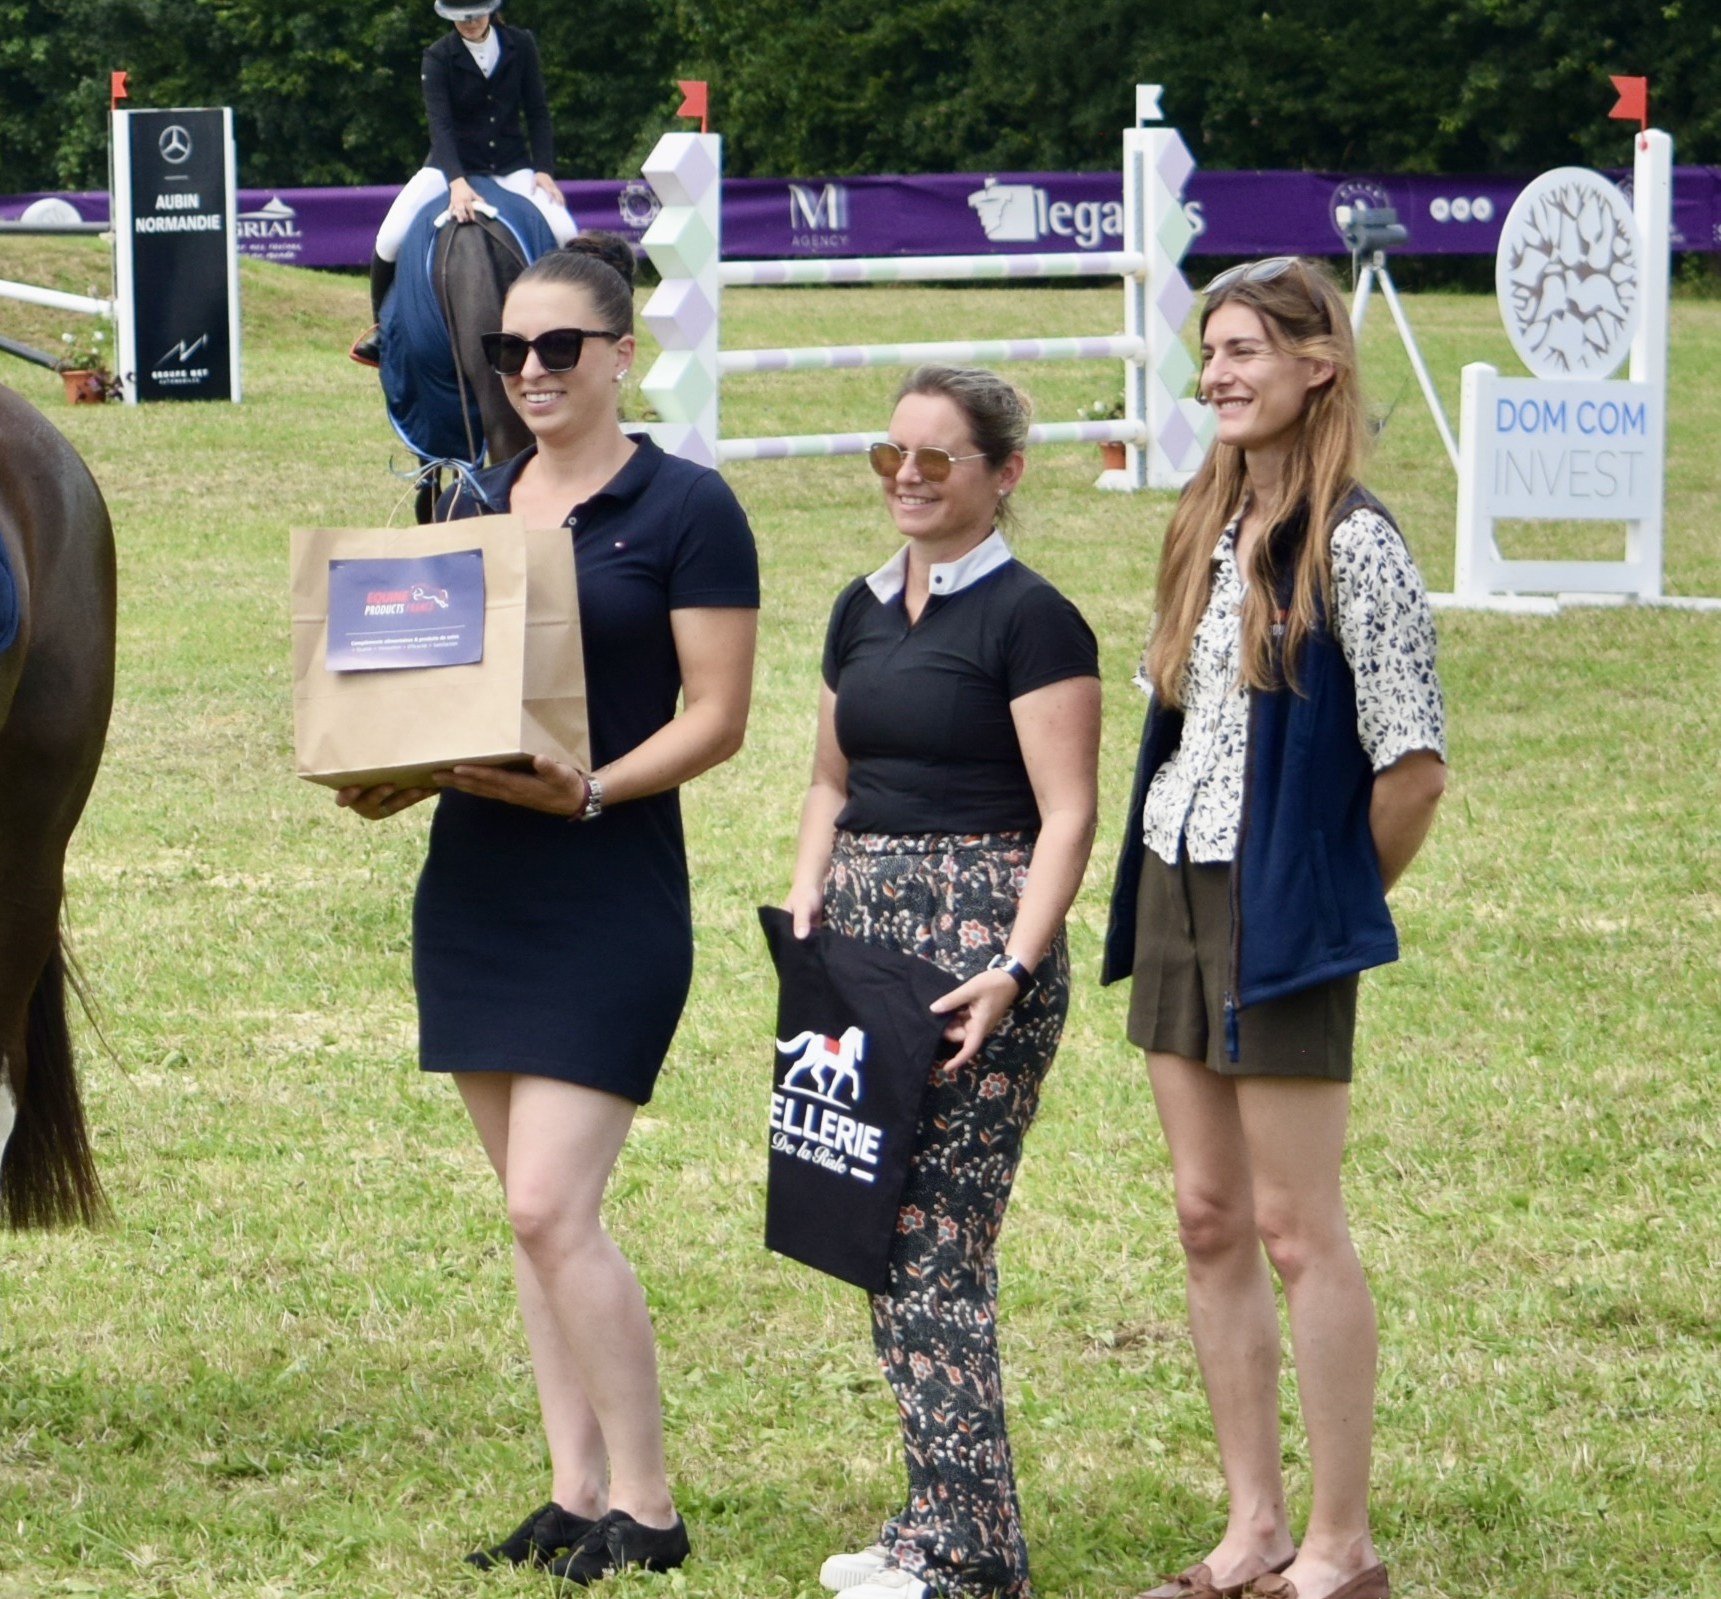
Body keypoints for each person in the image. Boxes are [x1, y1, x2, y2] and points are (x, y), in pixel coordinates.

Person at [340, 233, 757, 1581]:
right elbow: (431, 690)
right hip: (475, 886)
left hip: (607, 884)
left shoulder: (687, 506)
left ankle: (649, 1503)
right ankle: (575, 1490)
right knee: (529, 1218)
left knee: (546, 1205)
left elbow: (718, 715)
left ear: (620, 353)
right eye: (506, 348)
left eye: (556, 346)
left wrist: (590, 791)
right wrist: (386, 770)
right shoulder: (471, 497)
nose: (528, 368)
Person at [1100, 261, 1445, 1599]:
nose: (1216, 373)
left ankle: (1339, 1545)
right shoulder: (1204, 520)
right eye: (1209, 351)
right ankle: (1252, 1526)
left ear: (1317, 363)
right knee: (1206, 1217)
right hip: (1173, 880)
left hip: (1279, 902)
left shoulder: (1353, 541)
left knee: (1298, 1225)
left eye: (1244, 348)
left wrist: (1328, 896)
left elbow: (1410, 769)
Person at [788, 368, 1100, 1599]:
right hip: (861, 942)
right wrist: (807, 895)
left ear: (1004, 471)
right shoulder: (857, 605)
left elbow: (1067, 811)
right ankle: (934, 1518)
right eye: (890, 455)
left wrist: (1012, 965)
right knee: (876, 1232)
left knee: (933, 1236)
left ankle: (971, 1555)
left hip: (975, 950)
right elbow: (830, 778)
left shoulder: (1033, 618)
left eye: (937, 457)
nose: (906, 476)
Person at [356, 0, 559, 367]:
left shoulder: (521, 44)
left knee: (564, 230)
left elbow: (537, 111)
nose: (468, 22)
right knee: (390, 236)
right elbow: (441, 126)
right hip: (449, 165)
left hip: (509, 164)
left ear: (492, 7)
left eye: (476, 13)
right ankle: (382, 329)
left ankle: (569, 322)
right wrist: (456, 181)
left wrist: (544, 169)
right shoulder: (438, 56)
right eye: (460, 16)